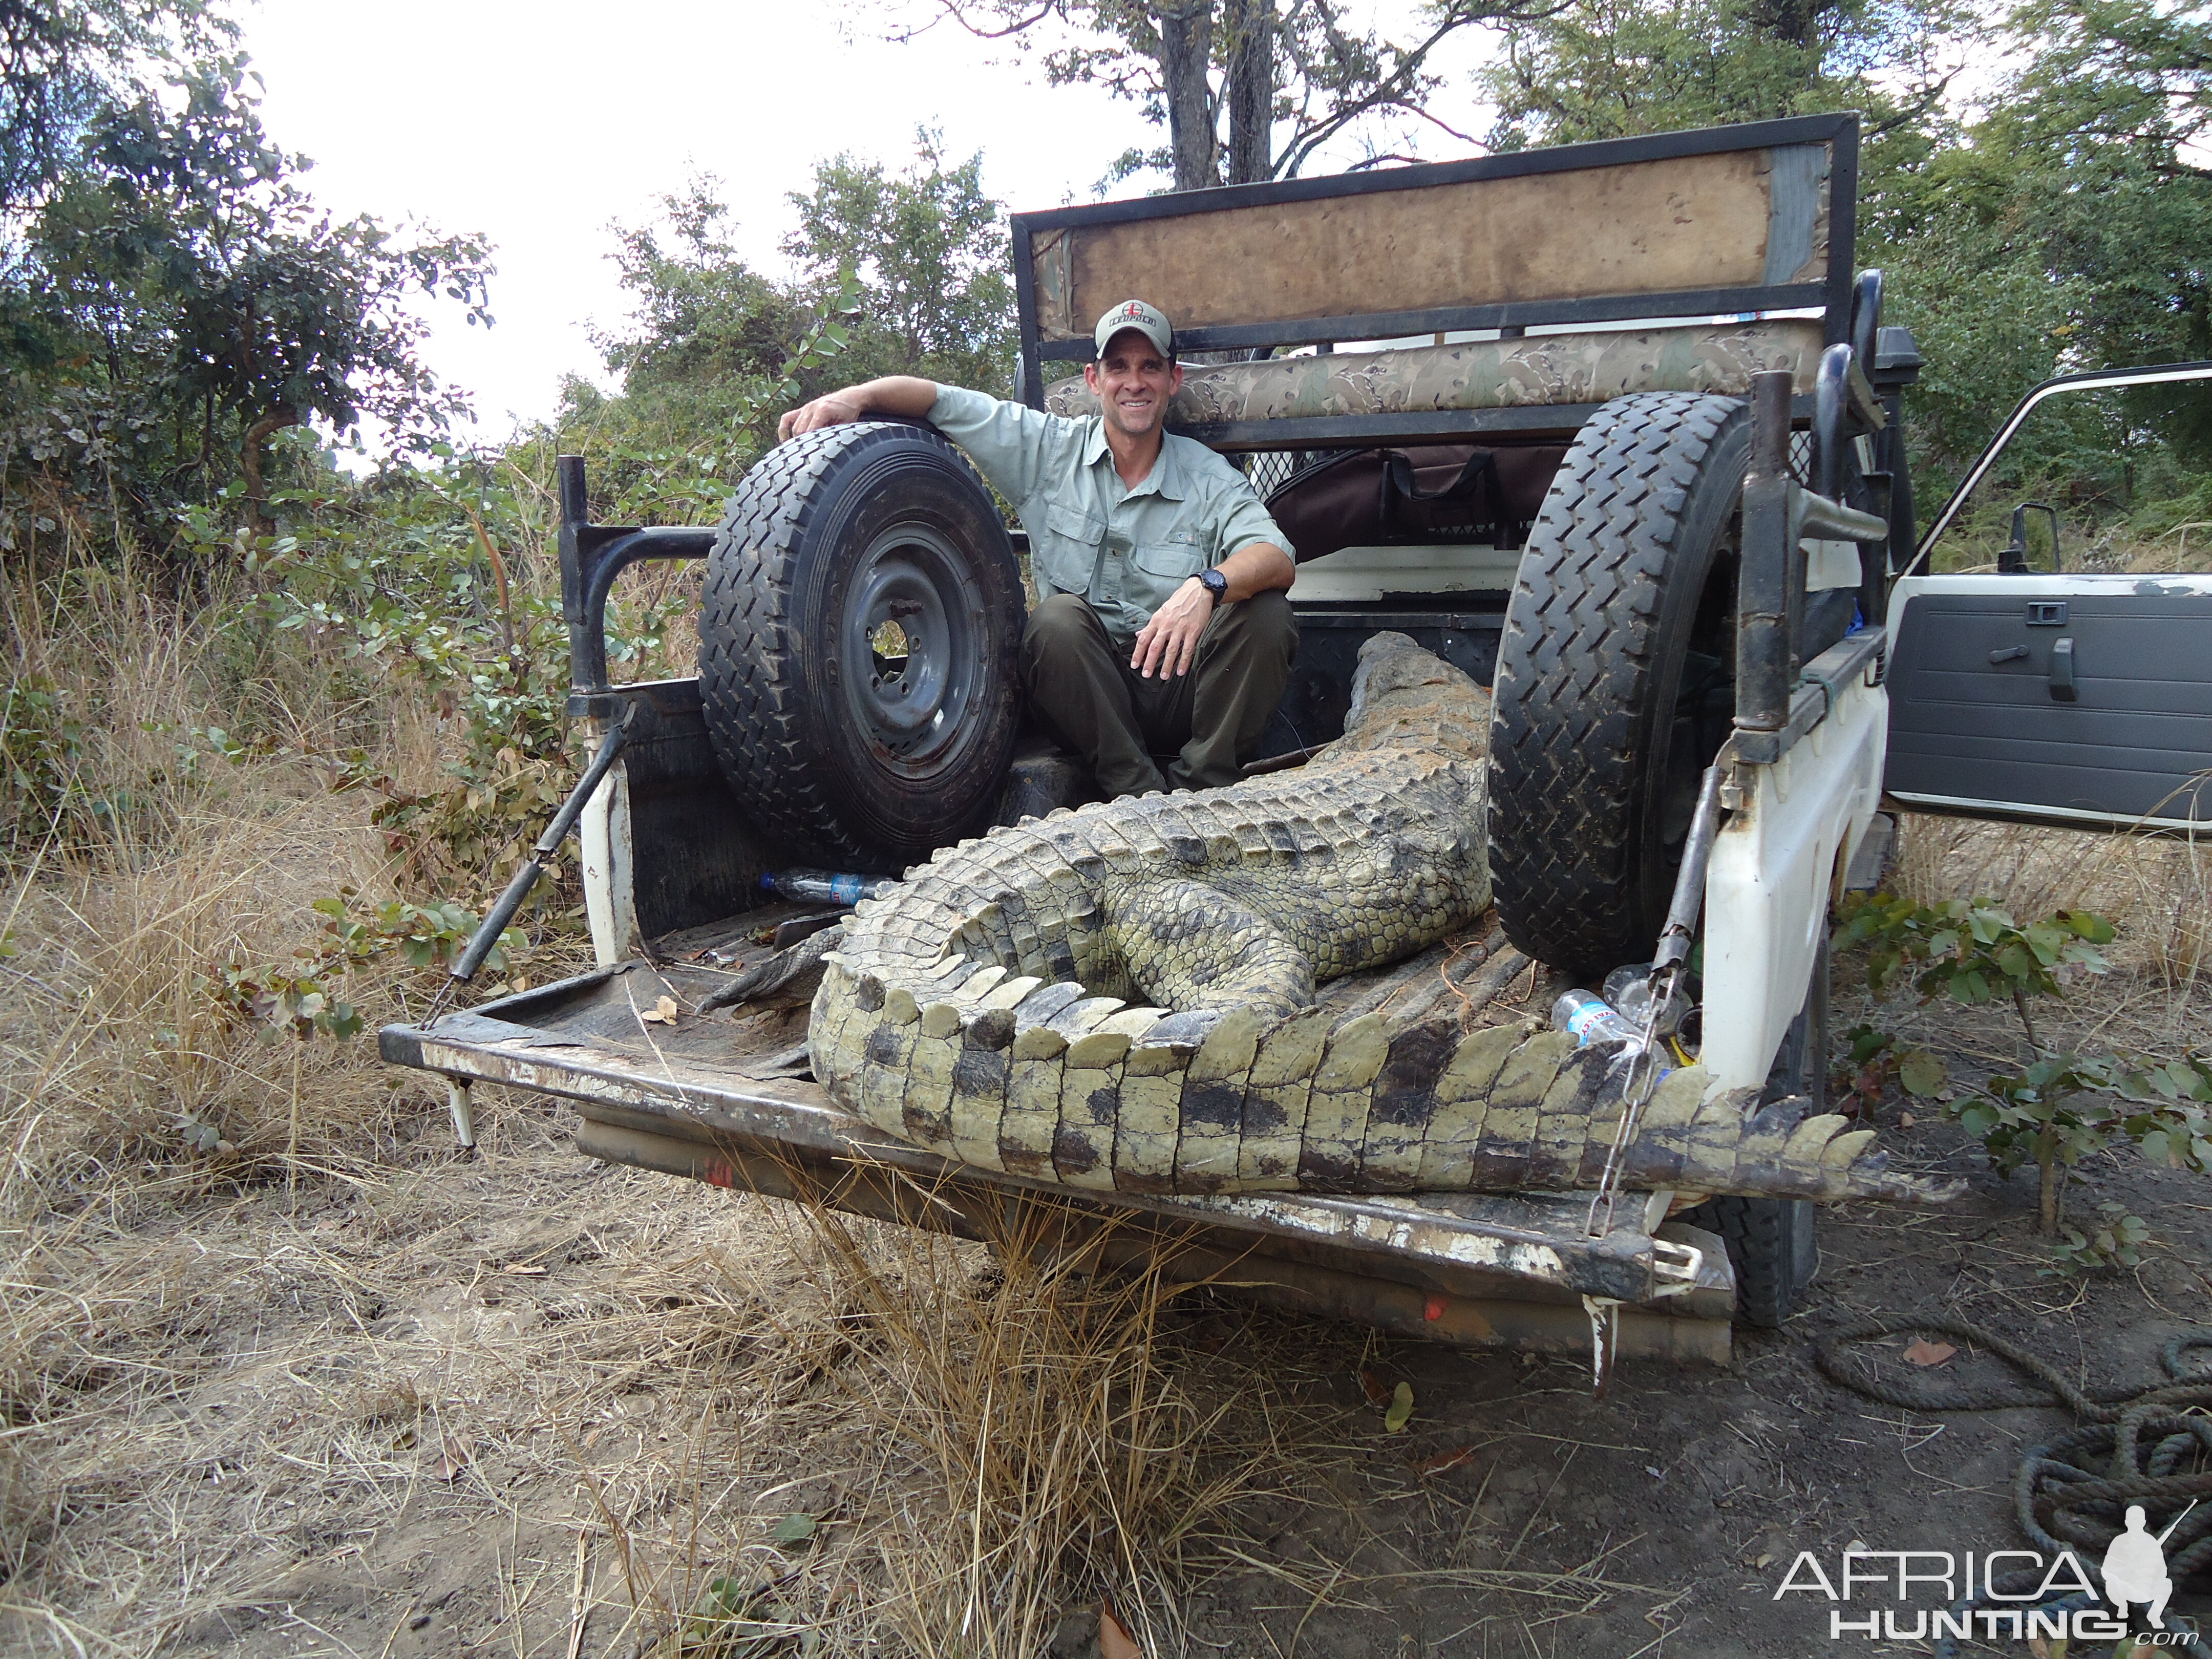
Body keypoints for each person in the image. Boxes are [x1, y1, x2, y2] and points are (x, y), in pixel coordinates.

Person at [778, 299, 1298, 799]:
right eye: (1118, 366)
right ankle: (1138, 797)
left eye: (1150, 367)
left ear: (1172, 379)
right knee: (1056, 620)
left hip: (1183, 686)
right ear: (1094, 380)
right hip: (1088, 701)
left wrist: (1206, 586)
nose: (1134, 382)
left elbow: (1275, 556)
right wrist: (856, 398)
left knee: (1268, 613)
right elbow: (944, 402)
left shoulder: (1208, 475)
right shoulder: (1047, 450)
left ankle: (1203, 790)